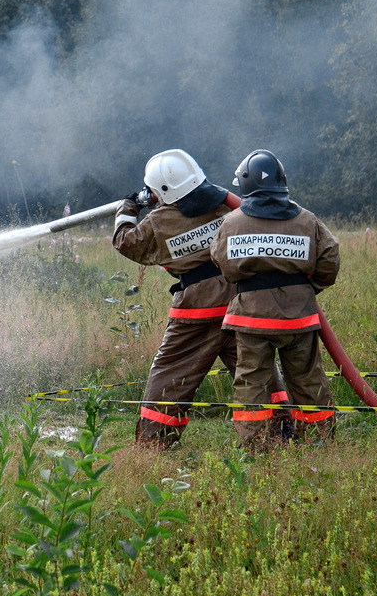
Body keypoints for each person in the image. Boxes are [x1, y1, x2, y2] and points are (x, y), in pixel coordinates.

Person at [113, 149, 292, 449]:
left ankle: (154, 442)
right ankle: (279, 434)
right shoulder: (225, 206)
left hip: (196, 312)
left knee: (171, 374)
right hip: (239, 302)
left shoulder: (157, 222)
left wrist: (128, 209)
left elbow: (125, 241)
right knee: (256, 369)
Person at [211, 149, 340, 446]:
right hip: (299, 317)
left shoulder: (231, 223)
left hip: (251, 317)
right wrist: (308, 290)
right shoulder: (308, 220)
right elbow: (330, 258)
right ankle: (319, 442)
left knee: (251, 383)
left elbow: (220, 260)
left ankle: (252, 445)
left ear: (244, 184)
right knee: (308, 380)